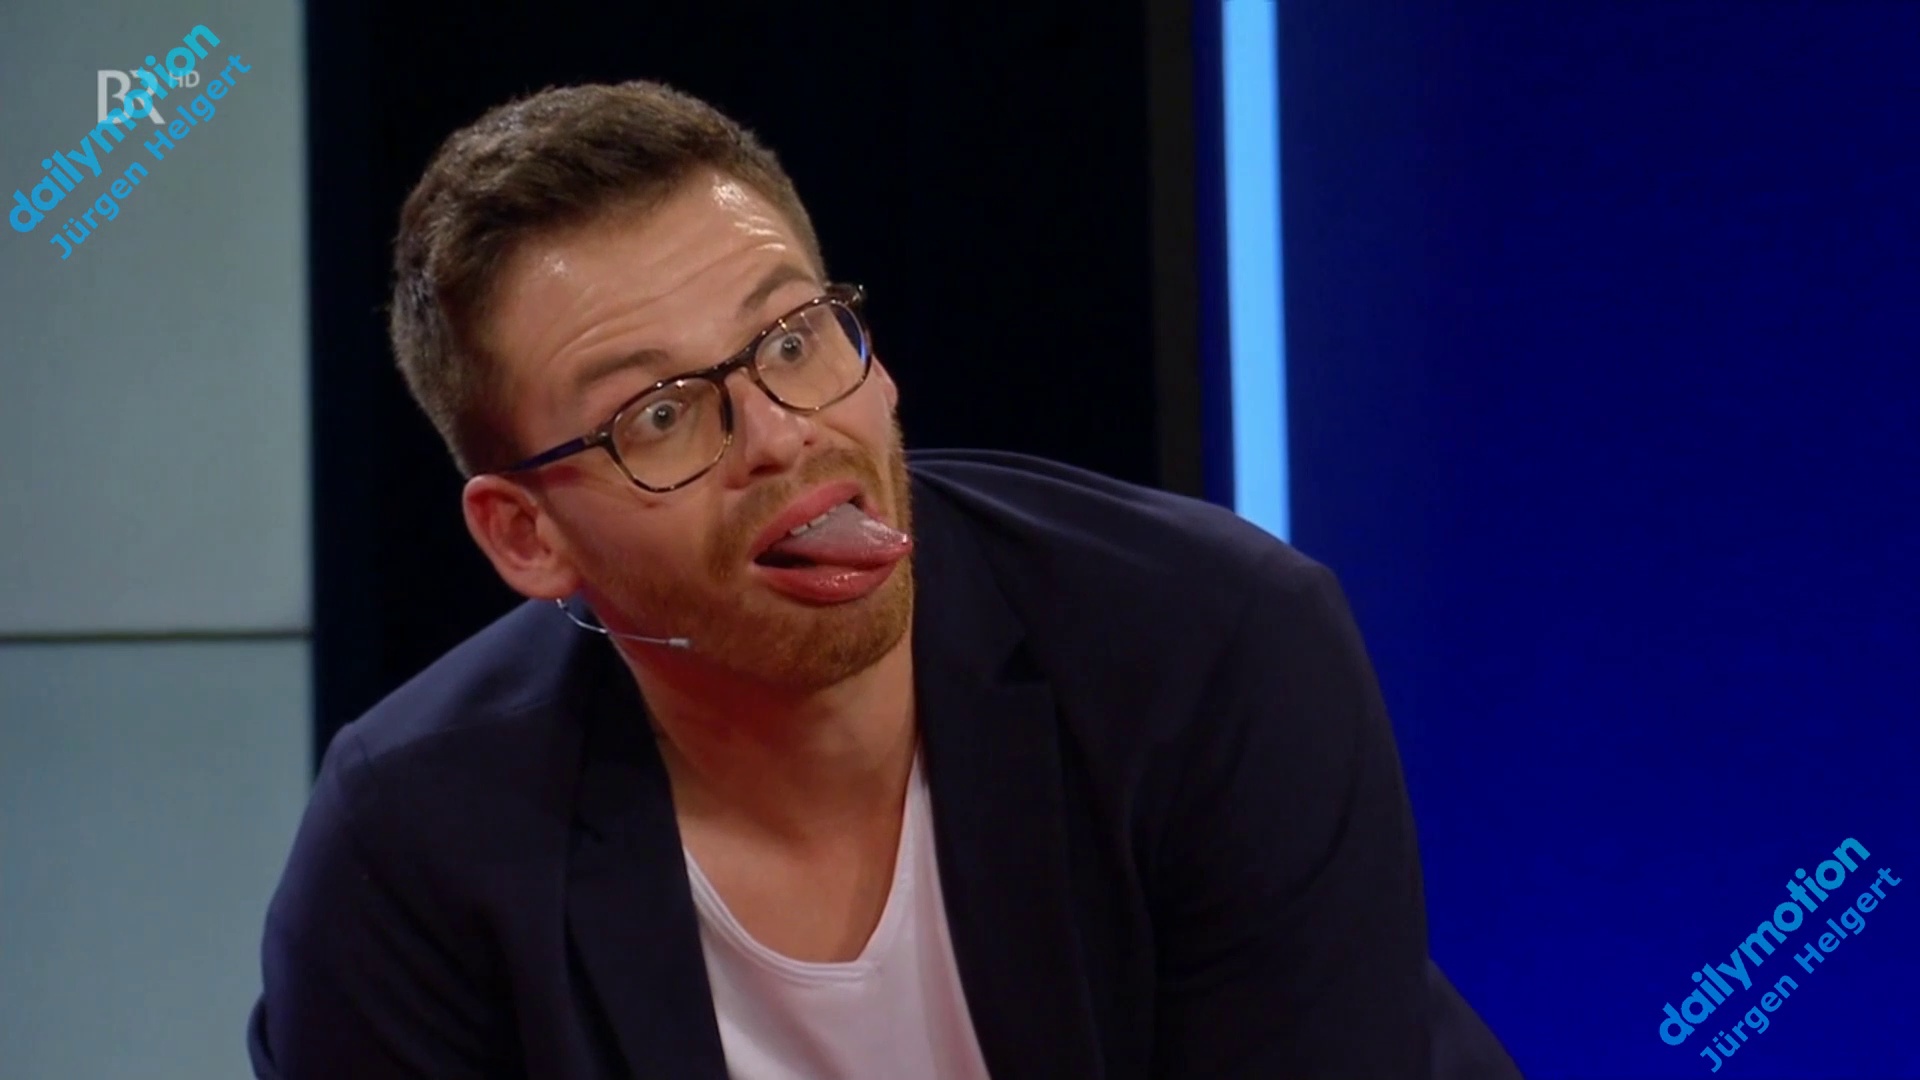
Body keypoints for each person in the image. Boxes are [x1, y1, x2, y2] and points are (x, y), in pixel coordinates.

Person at [247, 79, 1521, 1080]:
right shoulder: (415, 842)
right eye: (660, 415)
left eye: (793, 339)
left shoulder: (1208, 648)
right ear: (528, 536)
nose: (781, 436)